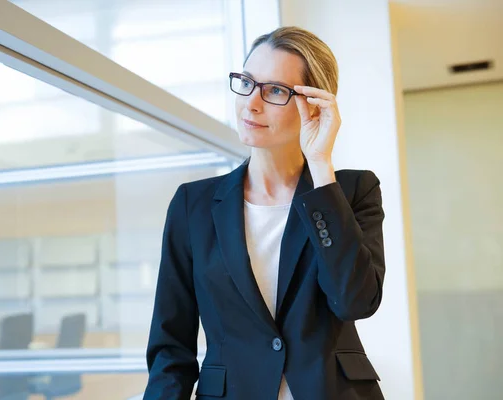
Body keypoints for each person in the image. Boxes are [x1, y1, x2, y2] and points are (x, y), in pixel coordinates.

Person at [143, 26, 386, 400]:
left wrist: (321, 168)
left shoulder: (352, 192)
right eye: (246, 83)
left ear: (314, 102)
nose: (251, 104)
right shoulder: (193, 205)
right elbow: (171, 345)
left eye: (274, 90)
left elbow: (354, 301)